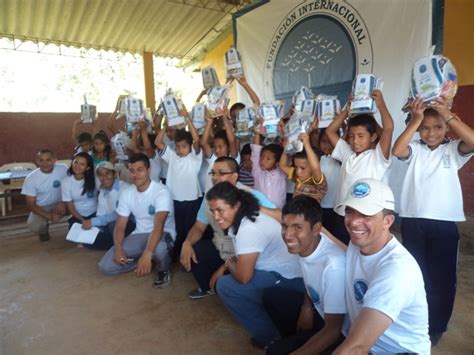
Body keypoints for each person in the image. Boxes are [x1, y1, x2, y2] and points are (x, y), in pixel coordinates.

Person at [392, 96, 474, 345]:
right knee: (416, 275)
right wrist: (416, 119)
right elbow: (397, 150)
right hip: (413, 221)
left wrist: (446, 113)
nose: (431, 133)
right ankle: (415, 321)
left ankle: (436, 326)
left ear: (447, 127)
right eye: (425, 128)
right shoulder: (414, 149)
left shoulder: (453, 150)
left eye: (438, 127)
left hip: (444, 224)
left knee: (442, 278)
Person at [332, 178, 430, 354]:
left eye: (365, 215)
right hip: (365, 343)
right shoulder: (358, 244)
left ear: (388, 221)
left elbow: (356, 348)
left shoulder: (397, 272)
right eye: (350, 212)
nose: (353, 222)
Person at [208, 182, 304, 348]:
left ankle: (272, 339)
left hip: (291, 280)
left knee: (225, 286)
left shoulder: (249, 228)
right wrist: (228, 264)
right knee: (230, 276)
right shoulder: (246, 218)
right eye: (212, 211)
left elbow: (244, 277)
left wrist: (229, 262)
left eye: (220, 210)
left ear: (236, 205)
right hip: (281, 272)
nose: (216, 217)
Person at [180, 156, 277, 300]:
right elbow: (198, 227)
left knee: (239, 279)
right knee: (197, 248)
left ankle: (233, 289)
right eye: (213, 173)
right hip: (223, 247)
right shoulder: (210, 198)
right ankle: (209, 287)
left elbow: (279, 217)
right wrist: (186, 243)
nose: (215, 177)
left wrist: (254, 206)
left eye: (221, 173)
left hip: (248, 251)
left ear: (234, 177)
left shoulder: (252, 196)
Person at [264, 195, 347, 355]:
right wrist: (306, 306)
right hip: (320, 311)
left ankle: (294, 344)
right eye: (285, 226)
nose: (288, 235)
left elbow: (334, 330)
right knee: (271, 296)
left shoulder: (333, 265)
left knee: (275, 352)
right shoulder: (307, 245)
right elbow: (311, 279)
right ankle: (295, 339)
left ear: (316, 229)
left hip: (341, 333)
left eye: (297, 227)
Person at [98, 153, 176, 289]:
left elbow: (158, 226)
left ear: (149, 170)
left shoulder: (161, 191)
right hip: (139, 234)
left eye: (140, 170)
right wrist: (118, 248)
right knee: (106, 266)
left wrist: (147, 253)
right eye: (132, 171)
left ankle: (163, 269)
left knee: (160, 249)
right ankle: (145, 261)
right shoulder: (127, 192)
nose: (136, 175)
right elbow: (120, 225)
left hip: (162, 234)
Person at [325, 90, 394, 244]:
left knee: (363, 251)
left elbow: (388, 129)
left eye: (361, 136)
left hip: (365, 218)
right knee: (342, 250)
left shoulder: (377, 157)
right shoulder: (347, 153)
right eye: (351, 136)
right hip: (342, 214)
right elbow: (330, 131)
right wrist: (346, 110)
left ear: (373, 137)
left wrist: (380, 105)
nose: (355, 141)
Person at [156, 109, 203, 260]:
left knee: (190, 229)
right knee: (178, 228)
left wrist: (187, 118)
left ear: (190, 147)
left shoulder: (194, 158)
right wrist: (165, 125)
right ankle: (178, 255)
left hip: (192, 200)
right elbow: (158, 142)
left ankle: (190, 254)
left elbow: (197, 140)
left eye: (184, 146)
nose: (180, 149)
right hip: (175, 199)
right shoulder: (172, 157)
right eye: (177, 146)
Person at [80, 161, 135, 250]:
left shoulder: (125, 188)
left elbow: (119, 215)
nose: (104, 177)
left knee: (113, 225)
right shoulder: (102, 192)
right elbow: (100, 215)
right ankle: (115, 243)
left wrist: (93, 222)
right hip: (111, 226)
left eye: (107, 173)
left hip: (129, 223)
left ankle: (119, 246)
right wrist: (94, 226)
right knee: (90, 237)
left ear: (115, 174)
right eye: (100, 175)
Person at [21, 149, 68, 242]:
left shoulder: (63, 169)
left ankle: (75, 228)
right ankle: (43, 231)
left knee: (81, 206)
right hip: (42, 206)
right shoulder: (31, 178)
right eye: (41, 160)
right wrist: (49, 216)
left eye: (48, 160)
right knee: (34, 226)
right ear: (37, 161)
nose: (45, 164)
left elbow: (71, 186)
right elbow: (30, 204)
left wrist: (63, 202)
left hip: (62, 203)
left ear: (55, 160)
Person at [279, 131, 327, 203]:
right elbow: (282, 165)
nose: (298, 172)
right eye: (296, 167)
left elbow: (315, 168)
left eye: (303, 168)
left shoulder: (318, 181)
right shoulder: (297, 177)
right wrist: (286, 148)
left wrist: (306, 144)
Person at [251, 129, 287, 209]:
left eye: (268, 159)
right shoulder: (258, 172)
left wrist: (283, 131)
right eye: (262, 157)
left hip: (278, 211)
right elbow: (256, 150)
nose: (263, 161)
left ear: (277, 161)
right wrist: (257, 130)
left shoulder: (281, 172)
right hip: (261, 212)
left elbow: (286, 155)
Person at [61, 152, 97, 229]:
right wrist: (83, 220)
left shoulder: (95, 179)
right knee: (76, 233)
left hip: (96, 214)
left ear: (87, 167)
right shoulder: (65, 183)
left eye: (82, 164)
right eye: (75, 162)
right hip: (78, 216)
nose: (77, 166)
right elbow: (71, 208)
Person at [316, 128, 341, 237]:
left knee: (334, 235)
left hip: (335, 206)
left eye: (331, 142)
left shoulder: (341, 159)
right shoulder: (317, 159)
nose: (327, 145)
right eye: (324, 141)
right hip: (319, 204)